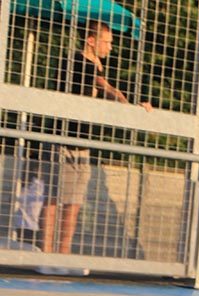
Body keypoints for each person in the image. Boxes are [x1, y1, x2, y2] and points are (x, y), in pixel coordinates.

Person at [39, 20, 152, 260]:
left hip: (82, 142)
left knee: (74, 200)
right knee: (54, 197)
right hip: (62, 141)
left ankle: (63, 253)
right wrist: (113, 91)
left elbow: (109, 92)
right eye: (107, 42)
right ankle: (45, 253)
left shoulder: (97, 68)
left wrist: (135, 106)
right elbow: (105, 88)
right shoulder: (74, 62)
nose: (110, 48)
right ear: (91, 41)